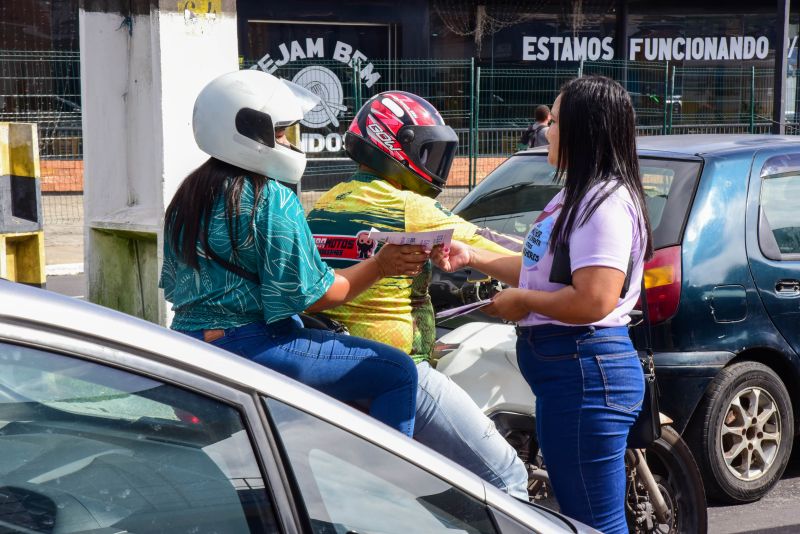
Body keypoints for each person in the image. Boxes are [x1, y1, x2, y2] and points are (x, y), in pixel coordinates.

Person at [432, 75, 653, 533]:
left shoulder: (604, 203)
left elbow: (595, 298)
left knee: (594, 523)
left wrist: (521, 303)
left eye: (554, 120)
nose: (546, 128)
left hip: (586, 376)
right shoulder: (577, 194)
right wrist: (473, 257)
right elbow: (540, 270)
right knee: (582, 516)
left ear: (583, 128)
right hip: (571, 376)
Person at [159, 70, 429, 437]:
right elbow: (316, 296)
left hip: (186, 341)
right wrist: (381, 265)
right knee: (397, 372)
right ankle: (387, 485)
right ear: (249, 132)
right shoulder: (270, 198)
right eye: (282, 132)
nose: (288, 143)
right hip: (249, 346)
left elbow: (176, 286)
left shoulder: (187, 195)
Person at [306, 91, 529, 499]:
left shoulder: (324, 202)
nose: (435, 165)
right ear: (395, 146)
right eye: (428, 152)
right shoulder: (410, 208)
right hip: (402, 368)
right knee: (507, 477)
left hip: (337, 362)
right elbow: (500, 249)